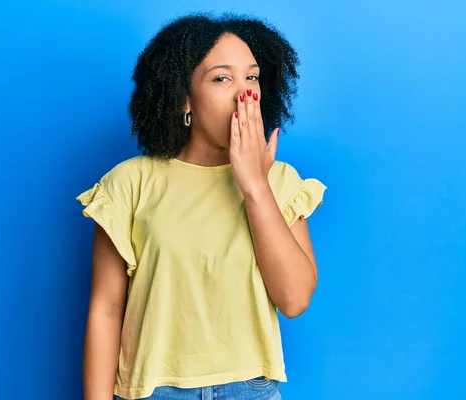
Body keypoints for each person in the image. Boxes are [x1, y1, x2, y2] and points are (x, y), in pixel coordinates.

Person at [76, 12, 327, 400]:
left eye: (253, 77)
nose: (245, 93)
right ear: (184, 101)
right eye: (222, 78)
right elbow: (106, 311)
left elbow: (294, 299)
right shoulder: (129, 183)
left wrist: (255, 186)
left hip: (251, 389)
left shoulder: (279, 181)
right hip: (154, 390)